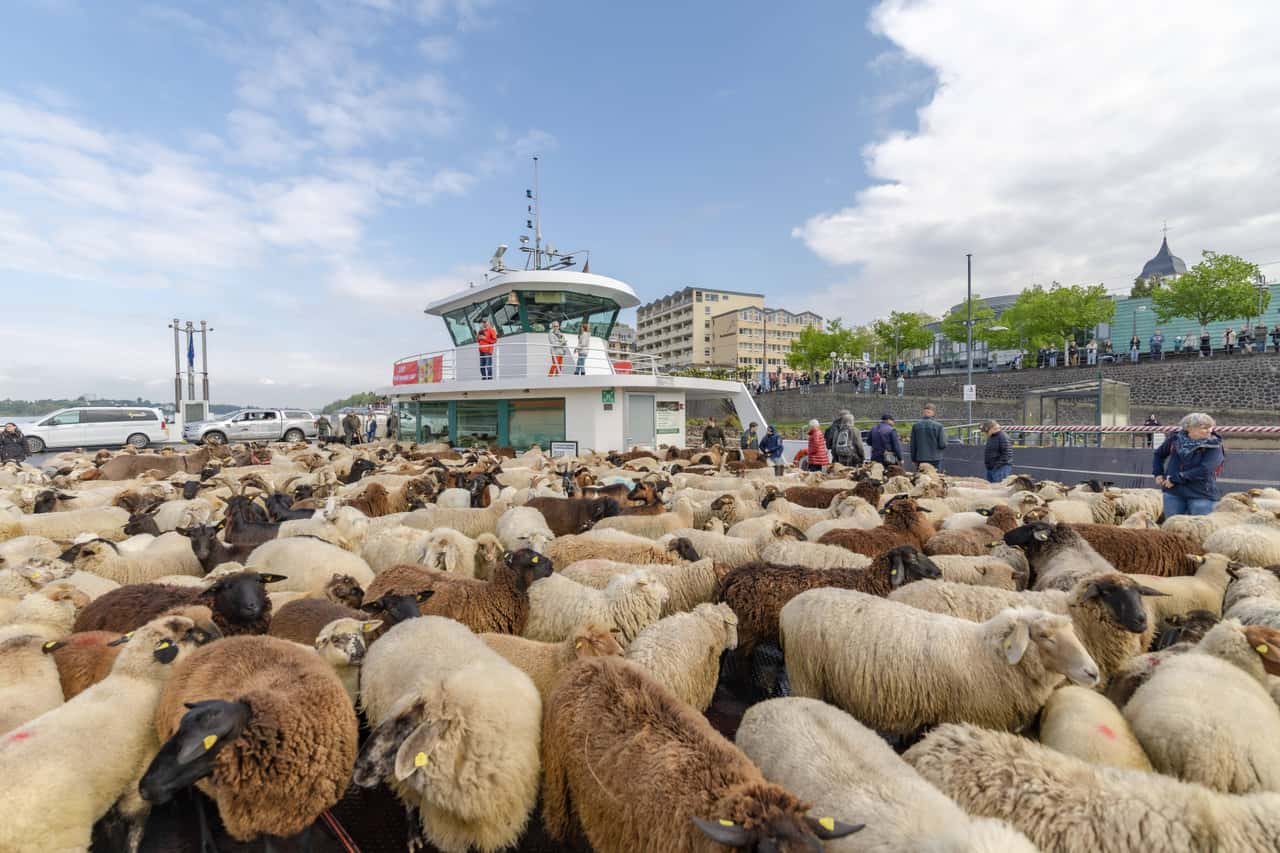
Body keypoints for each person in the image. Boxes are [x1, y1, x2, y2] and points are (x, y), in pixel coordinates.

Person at [1153, 412, 1224, 517]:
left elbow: (1205, 469)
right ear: (1189, 428)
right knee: (1172, 527)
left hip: (1200, 494)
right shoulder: (1175, 439)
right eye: (1204, 427)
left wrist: (1176, 479)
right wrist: (1158, 473)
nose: (1209, 430)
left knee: (1199, 529)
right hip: (1174, 493)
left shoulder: (1214, 445)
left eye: (1210, 427)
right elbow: (1159, 454)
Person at [909, 403, 946, 472]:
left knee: (922, 479)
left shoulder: (915, 426)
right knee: (935, 479)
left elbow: (913, 445)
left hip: (920, 458)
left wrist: (913, 459)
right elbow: (942, 444)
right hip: (935, 458)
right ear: (933, 413)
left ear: (924, 412)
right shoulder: (939, 426)